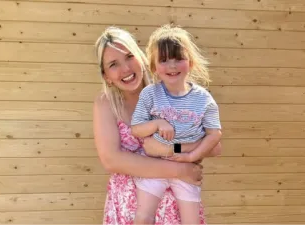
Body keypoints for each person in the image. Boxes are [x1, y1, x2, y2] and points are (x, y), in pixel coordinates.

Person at [93, 26, 221, 224]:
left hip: (175, 207)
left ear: (142, 58)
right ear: (106, 76)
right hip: (128, 209)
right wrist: (179, 170)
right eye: (113, 64)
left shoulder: (170, 90)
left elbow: (214, 145)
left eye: (129, 56)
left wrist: (173, 148)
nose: (126, 68)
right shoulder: (106, 104)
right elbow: (112, 160)